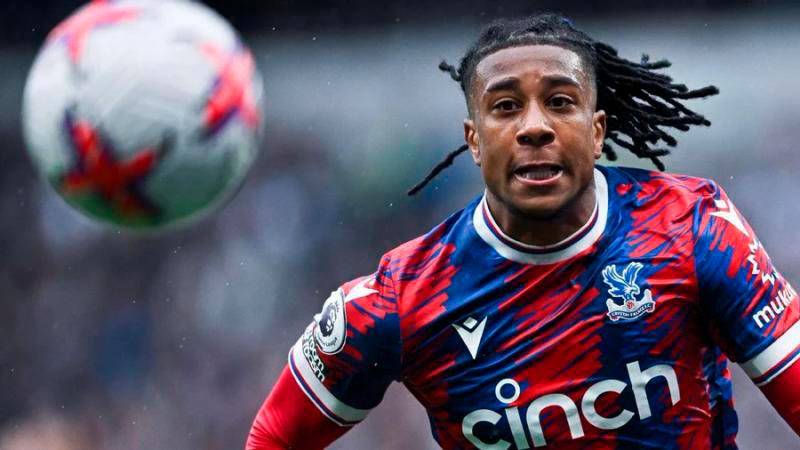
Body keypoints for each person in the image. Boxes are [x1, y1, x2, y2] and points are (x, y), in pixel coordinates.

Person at [246, 14, 800, 449]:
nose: (534, 127)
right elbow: (273, 437)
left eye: (560, 102)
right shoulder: (402, 299)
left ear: (597, 131)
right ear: (474, 139)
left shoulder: (693, 229)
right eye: (506, 107)